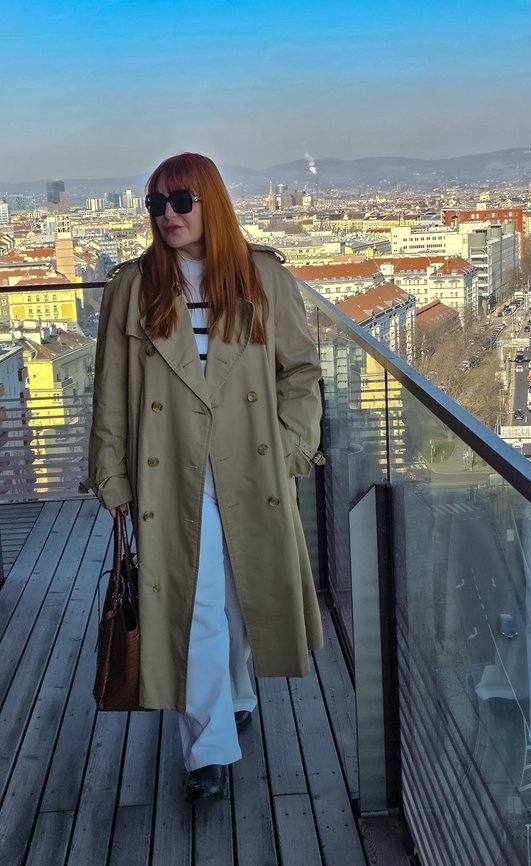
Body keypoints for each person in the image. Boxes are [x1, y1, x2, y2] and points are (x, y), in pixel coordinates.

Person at [85, 152, 324, 802]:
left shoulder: (261, 276)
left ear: (210, 203)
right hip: (169, 474)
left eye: (180, 201)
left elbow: (300, 374)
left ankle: (236, 691)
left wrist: (294, 448)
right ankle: (208, 749)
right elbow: (110, 392)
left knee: (239, 592)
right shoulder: (131, 287)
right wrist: (112, 477)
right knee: (196, 603)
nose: (167, 215)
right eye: (155, 204)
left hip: (249, 465)